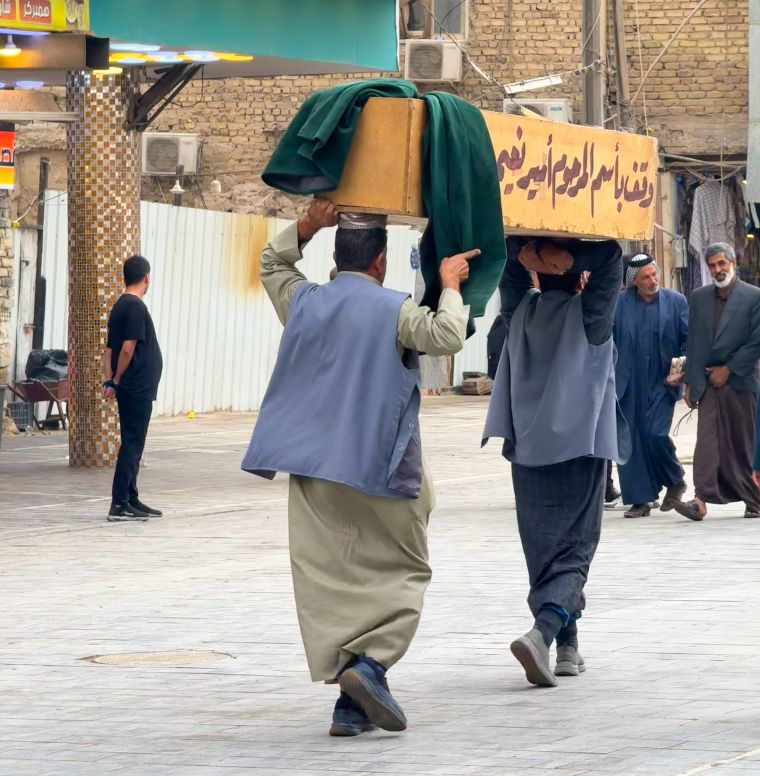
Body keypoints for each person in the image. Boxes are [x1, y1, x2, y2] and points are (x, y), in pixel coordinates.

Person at [241, 199, 478, 736]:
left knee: (331, 574)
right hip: (381, 464)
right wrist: (450, 285)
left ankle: (350, 705)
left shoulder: (305, 301)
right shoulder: (396, 309)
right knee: (406, 569)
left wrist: (309, 223)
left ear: (336, 258)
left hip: (312, 466)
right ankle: (371, 665)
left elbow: (272, 263)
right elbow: (446, 336)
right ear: (380, 262)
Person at [483, 236, 628, 687]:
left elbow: (504, 254)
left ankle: (568, 645)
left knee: (543, 548)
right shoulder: (590, 316)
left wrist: (530, 254)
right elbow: (612, 256)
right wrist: (564, 257)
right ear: (578, 278)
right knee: (575, 550)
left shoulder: (518, 310)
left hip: (528, 452)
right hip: (580, 451)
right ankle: (542, 632)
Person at [674, 242, 760, 521]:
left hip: (741, 381)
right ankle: (700, 500)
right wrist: (691, 381)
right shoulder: (699, 297)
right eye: (712, 265)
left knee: (742, 444)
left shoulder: (753, 296)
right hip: (708, 382)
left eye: (722, 263)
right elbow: (694, 341)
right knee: (707, 441)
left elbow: (756, 341)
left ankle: (754, 499)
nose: (717, 269)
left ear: (733, 263)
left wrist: (729, 369)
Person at [612, 253, 689, 518]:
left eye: (654, 273)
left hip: (662, 382)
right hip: (627, 382)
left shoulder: (676, 302)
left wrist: (682, 369)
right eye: (645, 277)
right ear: (634, 281)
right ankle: (640, 500)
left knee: (655, 434)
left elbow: (687, 340)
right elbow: (607, 339)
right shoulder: (619, 303)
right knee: (629, 440)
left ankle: (675, 479)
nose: (653, 280)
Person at [102, 255, 163, 522]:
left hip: (130, 385)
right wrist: (117, 379)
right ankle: (119, 503)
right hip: (137, 386)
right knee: (132, 443)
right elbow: (127, 348)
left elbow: (108, 351)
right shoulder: (135, 306)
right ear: (147, 277)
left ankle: (131, 497)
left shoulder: (119, 306)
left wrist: (109, 380)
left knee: (133, 442)